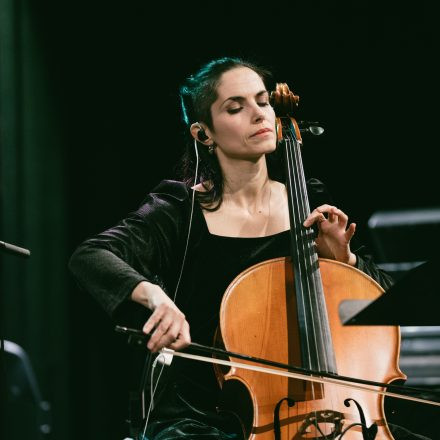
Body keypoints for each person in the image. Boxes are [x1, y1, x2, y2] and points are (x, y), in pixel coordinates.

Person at [69, 57, 428, 440]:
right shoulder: (179, 210)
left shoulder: (308, 201)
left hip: (338, 414)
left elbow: (386, 302)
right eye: (235, 107)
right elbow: (91, 256)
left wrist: (345, 261)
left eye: (263, 101)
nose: (259, 115)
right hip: (202, 416)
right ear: (203, 133)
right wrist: (156, 297)